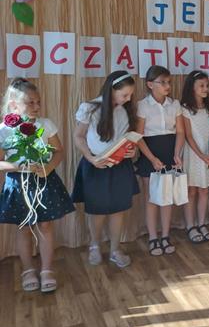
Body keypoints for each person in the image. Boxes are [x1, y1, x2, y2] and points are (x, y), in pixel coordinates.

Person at [0, 79, 75, 293]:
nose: (36, 106)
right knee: (24, 227)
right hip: (18, 183)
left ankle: (46, 270)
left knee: (45, 225)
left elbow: (59, 151)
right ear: (14, 105)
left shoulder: (45, 124)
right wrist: (16, 165)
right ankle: (27, 270)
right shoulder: (4, 129)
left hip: (44, 181)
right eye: (30, 102)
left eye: (38, 102)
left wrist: (48, 167)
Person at [73, 71, 139, 269]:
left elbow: (127, 138)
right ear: (111, 90)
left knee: (118, 209)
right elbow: (78, 136)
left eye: (130, 95)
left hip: (120, 165)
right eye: (124, 95)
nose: (128, 99)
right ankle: (95, 245)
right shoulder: (90, 108)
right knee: (97, 210)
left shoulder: (125, 110)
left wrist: (132, 150)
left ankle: (115, 249)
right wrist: (91, 158)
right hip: (96, 165)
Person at [136, 66, 184, 256]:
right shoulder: (142, 105)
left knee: (166, 197)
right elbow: (138, 136)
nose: (167, 86)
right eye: (162, 82)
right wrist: (152, 158)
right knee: (151, 197)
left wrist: (177, 153)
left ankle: (165, 235)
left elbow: (180, 131)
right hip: (150, 153)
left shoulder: (175, 104)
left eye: (168, 82)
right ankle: (152, 237)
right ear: (150, 84)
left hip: (169, 151)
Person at [180, 70, 209, 243]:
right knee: (192, 191)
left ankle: (202, 223)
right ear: (192, 88)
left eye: (207, 85)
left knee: (204, 190)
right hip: (193, 154)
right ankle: (190, 226)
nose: (205, 89)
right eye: (201, 86)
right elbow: (188, 136)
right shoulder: (185, 109)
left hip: (208, 153)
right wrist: (201, 155)